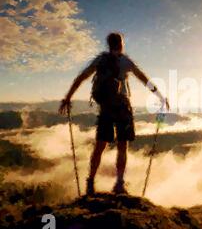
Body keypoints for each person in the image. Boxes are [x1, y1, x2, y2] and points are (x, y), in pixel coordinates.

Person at [59, 32, 169, 195]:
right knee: (122, 146)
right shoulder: (125, 61)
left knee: (100, 146)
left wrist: (68, 98)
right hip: (123, 107)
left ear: (109, 44)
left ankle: (90, 182)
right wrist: (160, 96)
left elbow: (81, 77)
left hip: (105, 108)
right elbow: (144, 79)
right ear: (121, 44)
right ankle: (119, 184)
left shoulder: (100, 60)